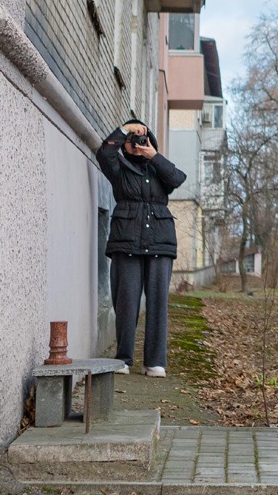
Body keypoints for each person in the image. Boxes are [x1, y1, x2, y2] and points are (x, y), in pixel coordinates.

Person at [97, 119, 187, 377]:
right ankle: (123, 359)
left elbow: (178, 178)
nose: (136, 145)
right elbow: (104, 152)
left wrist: (154, 156)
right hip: (126, 240)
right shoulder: (118, 168)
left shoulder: (159, 168)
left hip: (160, 240)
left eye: (141, 140)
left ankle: (155, 361)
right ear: (124, 145)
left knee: (158, 302)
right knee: (126, 301)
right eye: (131, 141)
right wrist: (126, 129)